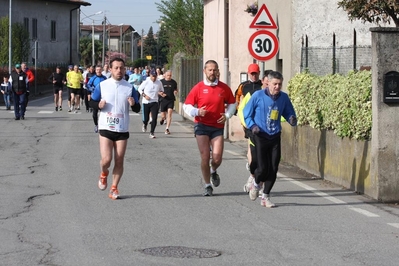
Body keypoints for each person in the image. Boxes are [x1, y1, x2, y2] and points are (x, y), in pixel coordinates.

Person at [243, 71, 297, 208]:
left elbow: (289, 111)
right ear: (268, 83)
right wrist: (253, 126)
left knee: (273, 168)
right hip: (260, 135)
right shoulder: (258, 96)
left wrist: (291, 118)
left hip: (274, 136)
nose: (277, 87)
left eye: (279, 84)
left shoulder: (283, 98)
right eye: (275, 84)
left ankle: (265, 197)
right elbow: (246, 114)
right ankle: (255, 185)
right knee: (262, 169)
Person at [183, 60, 236, 196]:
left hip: (217, 126)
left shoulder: (223, 88)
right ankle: (207, 185)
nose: (212, 72)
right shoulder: (198, 88)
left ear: (218, 71)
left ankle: (213, 171)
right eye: (210, 70)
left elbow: (232, 103)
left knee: (217, 158)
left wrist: (228, 115)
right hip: (201, 125)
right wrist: (197, 112)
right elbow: (186, 105)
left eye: (215, 70)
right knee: (205, 156)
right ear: (204, 71)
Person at [89, 57, 140, 200]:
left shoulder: (130, 88)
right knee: (106, 160)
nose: (119, 70)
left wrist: (133, 103)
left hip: (122, 129)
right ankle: (103, 173)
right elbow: (92, 102)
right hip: (106, 127)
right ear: (110, 69)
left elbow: (137, 108)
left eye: (122, 68)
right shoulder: (103, 85)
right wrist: (98, 105)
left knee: (119, 160)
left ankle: (114, 188)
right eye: (116, 68)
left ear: (125, 70)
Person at [235, 63, 263, 173]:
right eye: (252, 74)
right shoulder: (243, 86)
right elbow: (236, 96)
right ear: (248, 73)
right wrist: (237, 109)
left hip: (260, 118)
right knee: (251, 140)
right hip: (247, 118)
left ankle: (254, 162)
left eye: (256, 74)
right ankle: (252, 163)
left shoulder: (262, 85)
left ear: (259, 73)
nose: (254, 76)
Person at [138, 68, 165, 138]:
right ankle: (144, 124)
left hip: (155, 102)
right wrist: (144, 95)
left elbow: (161, 90)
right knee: (146, 118)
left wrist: (161, 93)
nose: (154, 78)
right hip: (146, 102)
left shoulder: (159, 82)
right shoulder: (146, 81)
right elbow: (139, 89)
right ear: (150, 75)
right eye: (153, 76)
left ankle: (152, 132)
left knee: (154, 118)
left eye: (155, 76)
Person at [87, 65, 107, 133]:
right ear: (95, 71)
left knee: (103, 112)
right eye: (97, 70)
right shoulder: (93, 78)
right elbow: (88, 85)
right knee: (94, 113)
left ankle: (103, 125)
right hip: (95, 98)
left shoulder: (104, 78)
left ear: (101, 70)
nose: (98, 71)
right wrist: (93, 89)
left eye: (99, 69)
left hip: (103, 98)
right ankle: (96, 125)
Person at [159, 70, 178, 134]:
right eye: (168, 75)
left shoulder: (174, 82)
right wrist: (161, 93)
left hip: (171, 99)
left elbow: (175, 89)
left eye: (170, 75)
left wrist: (175, 91)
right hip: (163, 100)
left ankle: (167, 128)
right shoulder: (161, 82)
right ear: (165, 75)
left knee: (169, 113)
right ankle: (162, 119)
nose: (169, 77)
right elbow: (157, 90)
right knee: (163, 116)